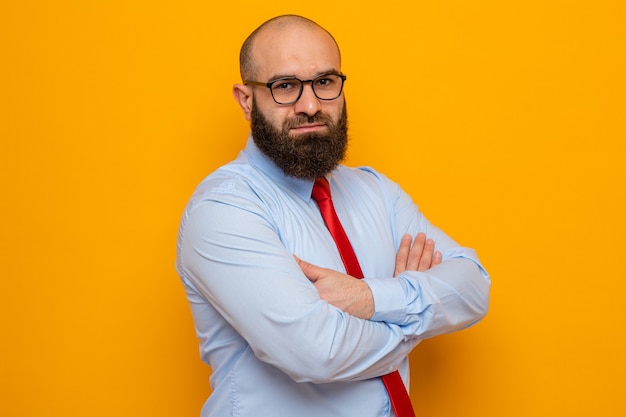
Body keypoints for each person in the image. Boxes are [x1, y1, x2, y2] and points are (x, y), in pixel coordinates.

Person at [176, 14, 490, 417]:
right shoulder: (222, 210)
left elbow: (472, 285)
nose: (310, 106)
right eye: (284, 86)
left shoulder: (375, 191)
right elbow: (317, 353)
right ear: (246, 99)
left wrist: (371, 298)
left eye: (324, 82)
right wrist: (419, 319)